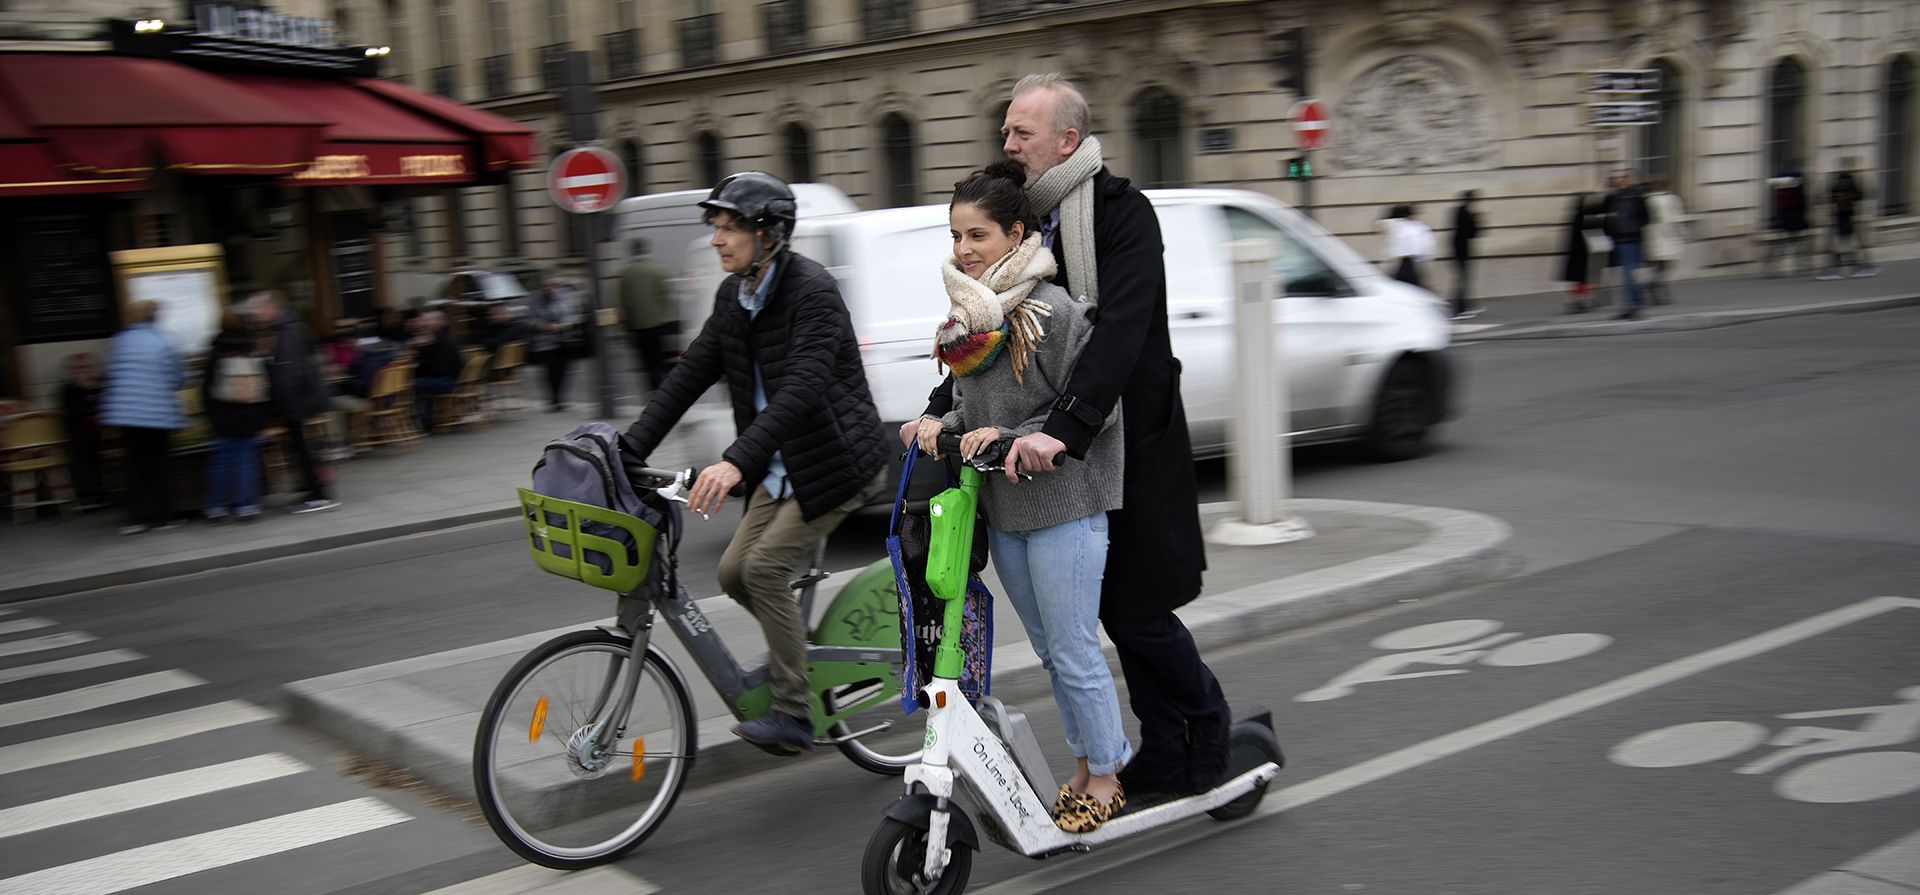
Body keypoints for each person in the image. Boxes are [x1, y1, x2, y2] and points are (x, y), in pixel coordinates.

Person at [907, 74, 1229, 798]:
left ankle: (1206, 724)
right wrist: (937, 410)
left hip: (1126, 440)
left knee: (1137, 611)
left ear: (1067, 141)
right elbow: (982, 342)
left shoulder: (1119, 213)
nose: (1008, 141)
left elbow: (1116, 333)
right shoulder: (1018, 225)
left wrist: (1065, 429)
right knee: (1098, 620)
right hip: (1049, 451)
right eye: (1007, 132)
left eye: (1023, 132)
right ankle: (1159, 748)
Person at [622, 171, 888, 755]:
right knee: (730, 573)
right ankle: (801, 657)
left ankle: (794, 713)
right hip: (779, 464)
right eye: (715, 227)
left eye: (731, 228)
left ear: (769, 235)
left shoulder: (811, 292)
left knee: (763, 570)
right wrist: (627, 449)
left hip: (834, 461)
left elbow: (803, 387)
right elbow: (689, 375)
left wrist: (735, 462)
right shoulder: (733, 297)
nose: (718, 239)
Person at [930, 161, 1131, 831]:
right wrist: (939, 425)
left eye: (978, 235)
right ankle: (1084, 761)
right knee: (1050, 649)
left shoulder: (1051, 309)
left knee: (1073, 646)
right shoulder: (969, 322)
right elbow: (971, 406)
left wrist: (1011, 432)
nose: (963, 249)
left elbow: (1089, 411)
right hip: (1007, 507)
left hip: (1065, 504)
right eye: (956, 235)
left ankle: (1105, 771)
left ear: (1015, 234)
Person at [247, 291, 339, 514]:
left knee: (305, 449)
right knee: (304, 448)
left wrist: (283, 407)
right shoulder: (287, 327)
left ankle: (319, 494)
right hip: (299, 400)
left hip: (298, 401)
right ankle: (314, 490)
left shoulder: (287, 331)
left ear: (270, 308)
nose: (256, 316)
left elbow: (289, 372)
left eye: (257, 311)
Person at [100, 300, 185, 534]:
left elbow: (110, 375)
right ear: (153, 317)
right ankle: (162, 518)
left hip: (127, 415)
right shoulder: (163, 340)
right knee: (159, 466)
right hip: (157, 414)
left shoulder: (119, 341)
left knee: (134, 466)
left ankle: (136, 519)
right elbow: (177, 379)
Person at [201, 308, 269, 523]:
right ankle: (246, 505)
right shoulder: (251, 348)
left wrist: (211, 415)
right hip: (247, 413)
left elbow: (207, 387)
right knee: (246, 460)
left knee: (221, 462)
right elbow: (264, 383)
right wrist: (261, 417)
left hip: (222, 414)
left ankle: (216, 507)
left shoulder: (215, 350)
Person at [619, 238, 678, 397]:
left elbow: (625, 301)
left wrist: (625, 325)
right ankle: (661, 388)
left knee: (645, 362)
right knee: (659, 359)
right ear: (646, 251)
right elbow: (664, 296)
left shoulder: (626, 273)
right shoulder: (658, 269)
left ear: (632, 252)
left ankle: (651, 390)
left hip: (638, 325)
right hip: (658, 322)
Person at [58, 352, 107, 510]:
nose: (82, 371)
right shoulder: (68, 390)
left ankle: (97, 494)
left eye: (86, 367)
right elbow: (72, 413)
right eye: (77, 368)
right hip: (83, 434)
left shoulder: (104, 384)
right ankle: (89, 496)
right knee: (82, 446)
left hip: (108, 432)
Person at [1819, 158, 1880, 280]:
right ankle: (1862, 266)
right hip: (1849, 215)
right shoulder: (1851, 181)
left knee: (1837, 242)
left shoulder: (1836, 182)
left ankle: (1833, 267)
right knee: (1856, 242)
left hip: (1838, 215)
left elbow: (1830, 198)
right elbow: (1859, 196)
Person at [1601, 169, 1650, 320]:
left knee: (1630, 274)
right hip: (1620, 240)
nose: (1621, 180)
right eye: (1620, 178)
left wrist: (1632, 228)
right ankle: (1632, 305)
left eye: (1624, 177)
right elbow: (1605, 214)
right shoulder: (1615, 196)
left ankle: (1633, 306)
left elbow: (1645, 218)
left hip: (1629, 240)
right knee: (1629, 274)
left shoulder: (1635, 196)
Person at [528, 275, 581, 412]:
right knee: (549, 372)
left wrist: (565, 325)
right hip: (544, 343)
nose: (548, 288)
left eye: (551, 285)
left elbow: (574, 315)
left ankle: (560, 398)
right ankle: (554, 399)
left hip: (563, 340)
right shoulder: (534, 300)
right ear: (540, 287)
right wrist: (544, 327)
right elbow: (530, 321)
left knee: (563, 371)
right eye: (545, 286)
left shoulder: (564, 298)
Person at [411, 310, 463, 433]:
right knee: (421, 384)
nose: (424, 326)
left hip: (448, 381)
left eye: (426, 323)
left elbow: (437, 369)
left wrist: (420, 358)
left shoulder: (441, 342)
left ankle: (425, 422)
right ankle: (426, 421)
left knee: (414, 386)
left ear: (436, 325)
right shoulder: (444, 338)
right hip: (452, 379)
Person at [1642, 175, 1687, 305]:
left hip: (1651, 236)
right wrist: (1683, 234)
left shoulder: (1647, 199)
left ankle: (1655, 287)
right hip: (1668, 236)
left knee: (1656, 265)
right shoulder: (1672, 199)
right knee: (1666, 265)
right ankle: (1655, 285)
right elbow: (1676, 218)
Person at [1766, 161, 1812, 277]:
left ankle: (1771, 267)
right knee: (1799, 243)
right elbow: (1802, 199)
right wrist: (1805, 216)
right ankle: (1803, 266)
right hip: (1796, 215)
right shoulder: (1798, 180)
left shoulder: (1781, 181)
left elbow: (1776, 199)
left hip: (1784, 215)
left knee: (1780, 244)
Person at [1559, 192, 1600, 314]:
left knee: (1579, 279)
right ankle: (1581, 300)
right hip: (1583, 251)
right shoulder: (1586, 216)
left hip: (1576, 252)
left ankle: (1576, 300)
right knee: (1584, 278)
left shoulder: (1576, 215)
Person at [1381, 203, 1435, 290]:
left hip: (1399, 265)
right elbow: (1425, 250)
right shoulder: (1417, 228)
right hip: (1410, 264)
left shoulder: (1394, 227)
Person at [1450, 190, 1482, 319]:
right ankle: (1460, 308)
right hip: (1462, 250)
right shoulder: (1466, 213)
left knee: (1462, 279)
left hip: (1459, 249)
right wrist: (1476, 221)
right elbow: (1472, 233)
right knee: (1462, 279)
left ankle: (1464, 305)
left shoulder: (1458, 212)